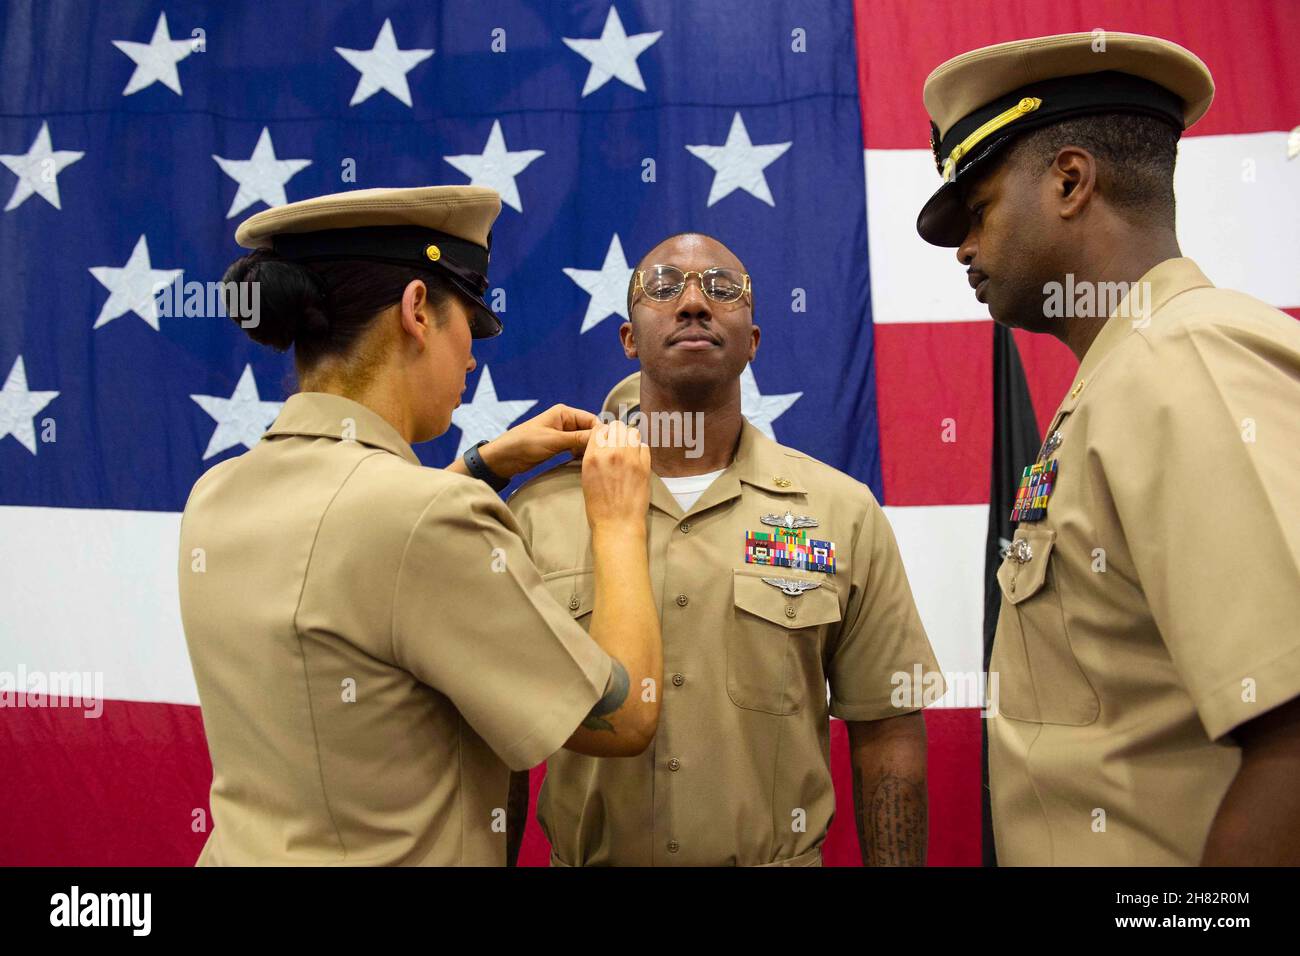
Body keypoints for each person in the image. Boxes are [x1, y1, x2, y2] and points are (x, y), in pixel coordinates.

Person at [177, 185, 662, 866]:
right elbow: (625, 716)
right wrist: (616, 520)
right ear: (416, 311)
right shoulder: (425, 519)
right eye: (468, 319)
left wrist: (482, 464)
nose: (472, 356)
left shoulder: (216, 494)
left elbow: (347, 554)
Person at [918, 31, 1300, 864]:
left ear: (1069, 180)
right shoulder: (1127, 376)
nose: (965, 249)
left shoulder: (1186, 361)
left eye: (978, 210)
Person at [508, 231, 944, 866]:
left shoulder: (841, 512)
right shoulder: (537, 514)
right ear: (627, 339)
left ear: (753, 342)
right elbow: (500, 738)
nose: (693, 303)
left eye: (723, 289)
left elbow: (888, 724)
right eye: (662, 288)